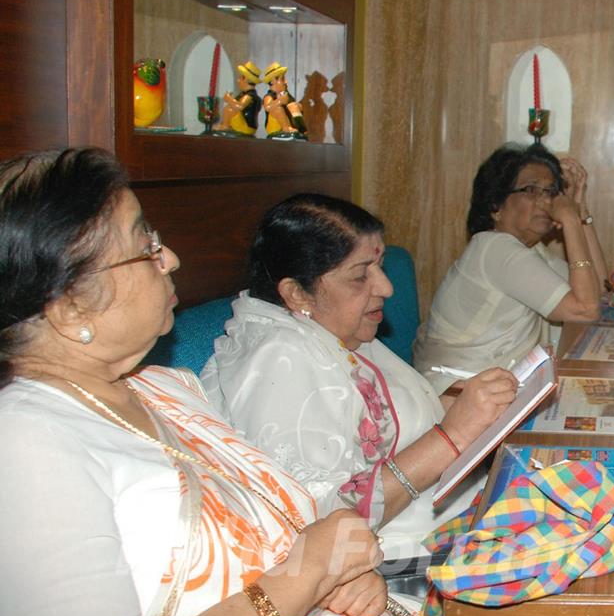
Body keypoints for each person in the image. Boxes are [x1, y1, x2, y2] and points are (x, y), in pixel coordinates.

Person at [0, 150, 614, 616]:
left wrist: (332, 568)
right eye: (145, 246)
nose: (171, 255)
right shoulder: (26, 440)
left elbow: (294, 522)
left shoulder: (159, 389)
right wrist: (306, 575)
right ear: (69, 305)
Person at [201, 193, 519, 561]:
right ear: (296, 293)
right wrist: (453, 436)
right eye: (360, 276)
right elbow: (325, 524)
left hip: (454, 522)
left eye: (380, 265)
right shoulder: (278, 360)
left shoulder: (333, 327)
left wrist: (454, 404)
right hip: (396, 566)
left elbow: (380, 424)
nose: (386, 287)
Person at [413, 143, 609, 394]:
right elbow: (585, 310)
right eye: (530, 190)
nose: (546, 201)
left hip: (495, 393)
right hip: (458, 399)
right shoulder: (494, 249)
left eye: (550, 191)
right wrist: (570, 220)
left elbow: (601, 292)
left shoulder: (530, 252)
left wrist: (581, 213)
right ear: (496, 206)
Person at [212, 60, 262, 136]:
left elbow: (239, 106)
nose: (238, 81)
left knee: (230, 108)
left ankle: (225, 126)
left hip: (246, 126)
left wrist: (229, 99)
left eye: (240, 78)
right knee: (230, 107)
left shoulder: (250, 95)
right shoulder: (244, 94)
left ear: (246, 79)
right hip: (242, 123)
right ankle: (225, 124)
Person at [262, 61, 307, 140]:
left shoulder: (285, 94)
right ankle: (285, 128)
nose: (285, 82)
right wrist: (279, 101)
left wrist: (298, 106)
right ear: (272, 81)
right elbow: (267, 107)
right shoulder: (269, 96)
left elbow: (292, 106)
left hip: (288, 121)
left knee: (294, 106)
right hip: (274, 126)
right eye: (282, 79)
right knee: (277, 108)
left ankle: (302, 129)